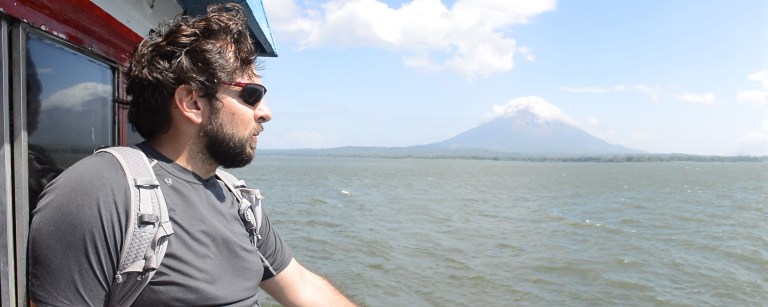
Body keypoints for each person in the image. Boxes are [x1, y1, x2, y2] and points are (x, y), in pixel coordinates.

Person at [27, 3, 355, 306]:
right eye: (251, 95)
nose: (265, 113)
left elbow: (302, 286)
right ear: (192, 103)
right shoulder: (98, 193)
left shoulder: (238, 202)